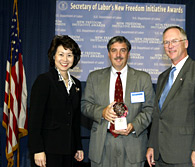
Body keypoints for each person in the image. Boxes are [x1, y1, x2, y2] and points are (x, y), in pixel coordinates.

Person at [146, 26, 195, 167]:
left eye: (174, 41)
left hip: (187, 155)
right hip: (160, 156)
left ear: (186, 43)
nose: (170, 46)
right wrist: (152, 145)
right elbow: (158, 115)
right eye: (166, 42)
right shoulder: (162, 77)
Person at [81, 36, 155, 167]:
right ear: (109, 54)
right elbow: (85, 105)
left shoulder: (143, 78)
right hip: (102, 144)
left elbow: (150, 109)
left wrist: (134, 126)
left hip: (133, 144)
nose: (118, 55)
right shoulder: (94, 77)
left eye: (123, 50)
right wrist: (102, 112)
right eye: (114, 50)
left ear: (128, 53)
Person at [28, 35, 84, 167]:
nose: (65, 59)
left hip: (69, 151)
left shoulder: (76, 84)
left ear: (74, 58)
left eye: (69, 55)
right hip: (47, 151)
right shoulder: (44, 81)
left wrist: (78, 146)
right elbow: (35, 119)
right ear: (53, 56)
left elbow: (75, 119)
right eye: (61, 54)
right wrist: (37, 150)